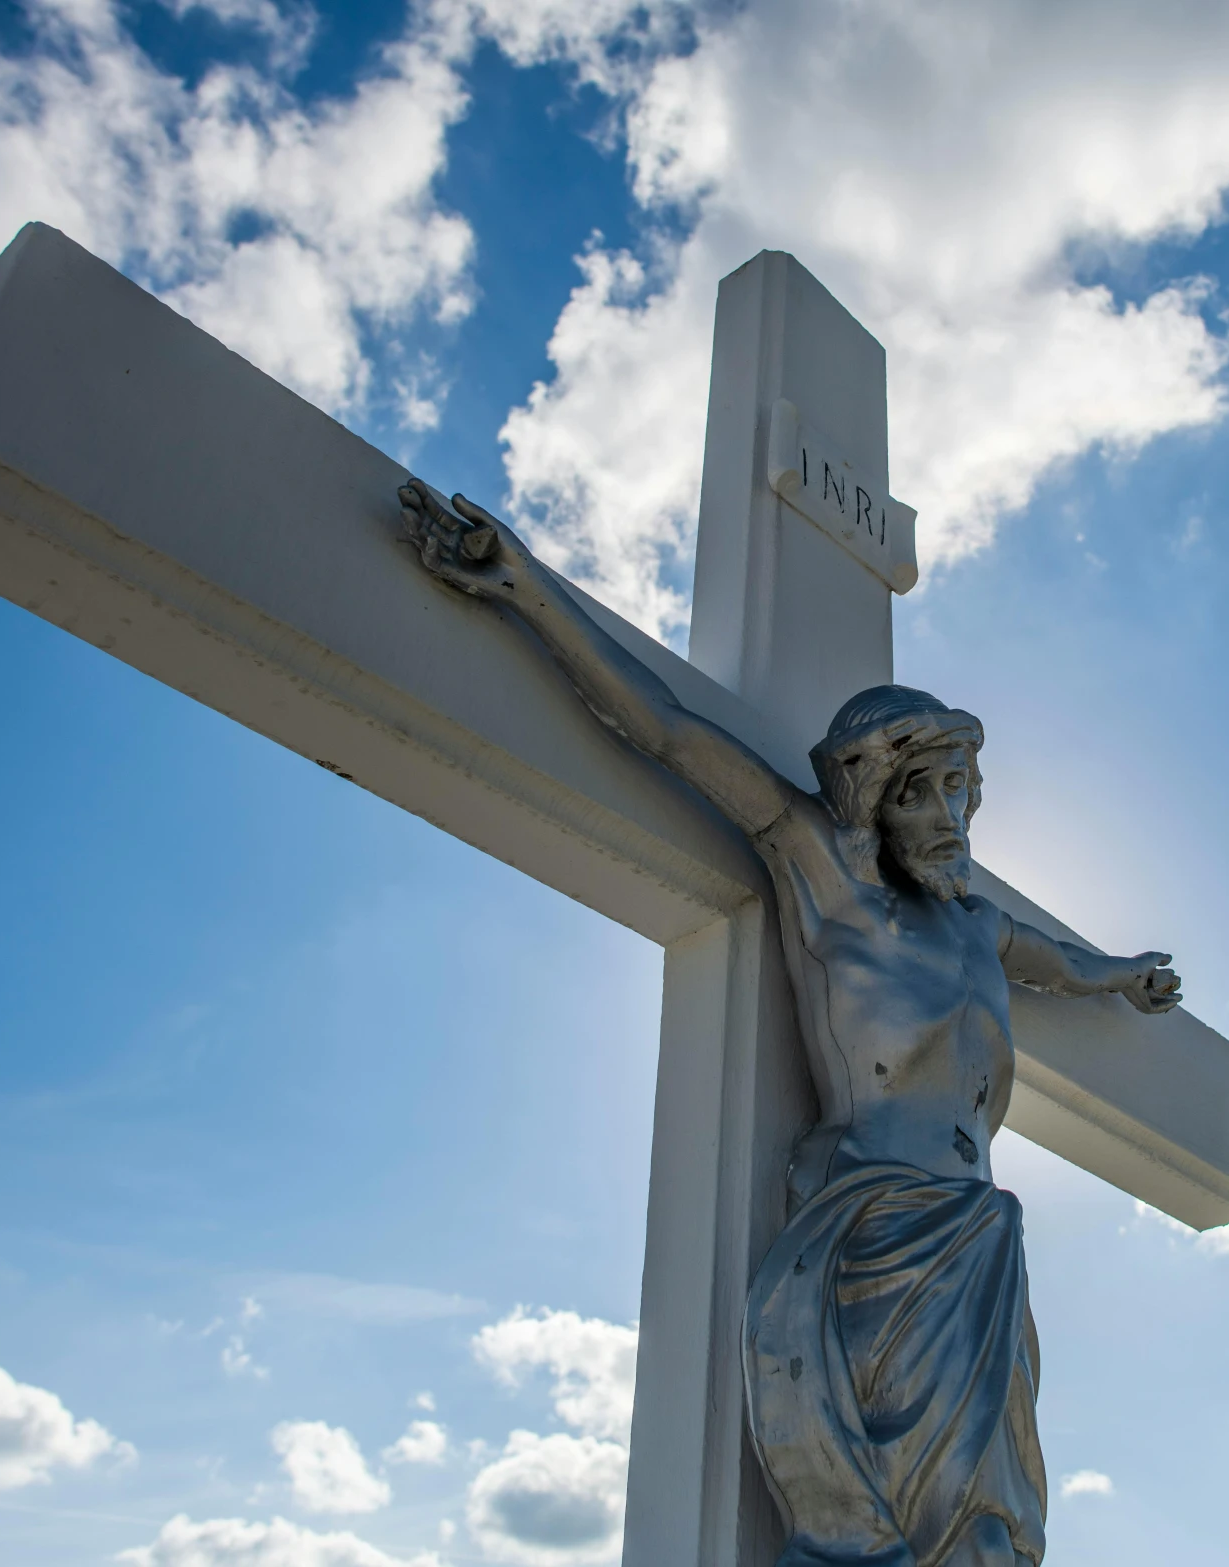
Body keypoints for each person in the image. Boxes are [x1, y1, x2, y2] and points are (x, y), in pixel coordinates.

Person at [399, 483, 1183, 1567]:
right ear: (872, 795)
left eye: (962, 792)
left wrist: (1121, 979)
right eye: (923, 792)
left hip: (977, 1242)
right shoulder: (827, 879)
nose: (950, 819)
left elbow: (1063, 964)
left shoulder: (976, 927)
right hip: (873, 1238)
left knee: (986, 1532)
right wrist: (526, 588)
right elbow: (669, 735)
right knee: (880, 1524)